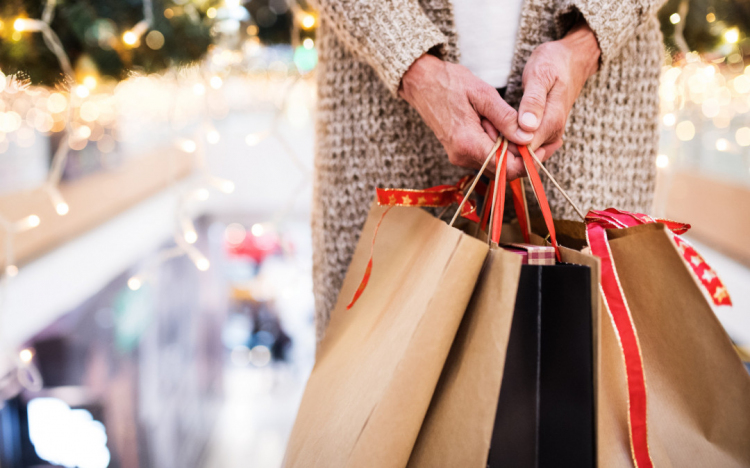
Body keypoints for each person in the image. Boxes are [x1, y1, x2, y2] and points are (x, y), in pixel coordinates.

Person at [311, 0, 665, 342]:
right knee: (379, 359)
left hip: (595, 98)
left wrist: (586, 45)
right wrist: (409, 61)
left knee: (586, 361)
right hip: (384, 104)